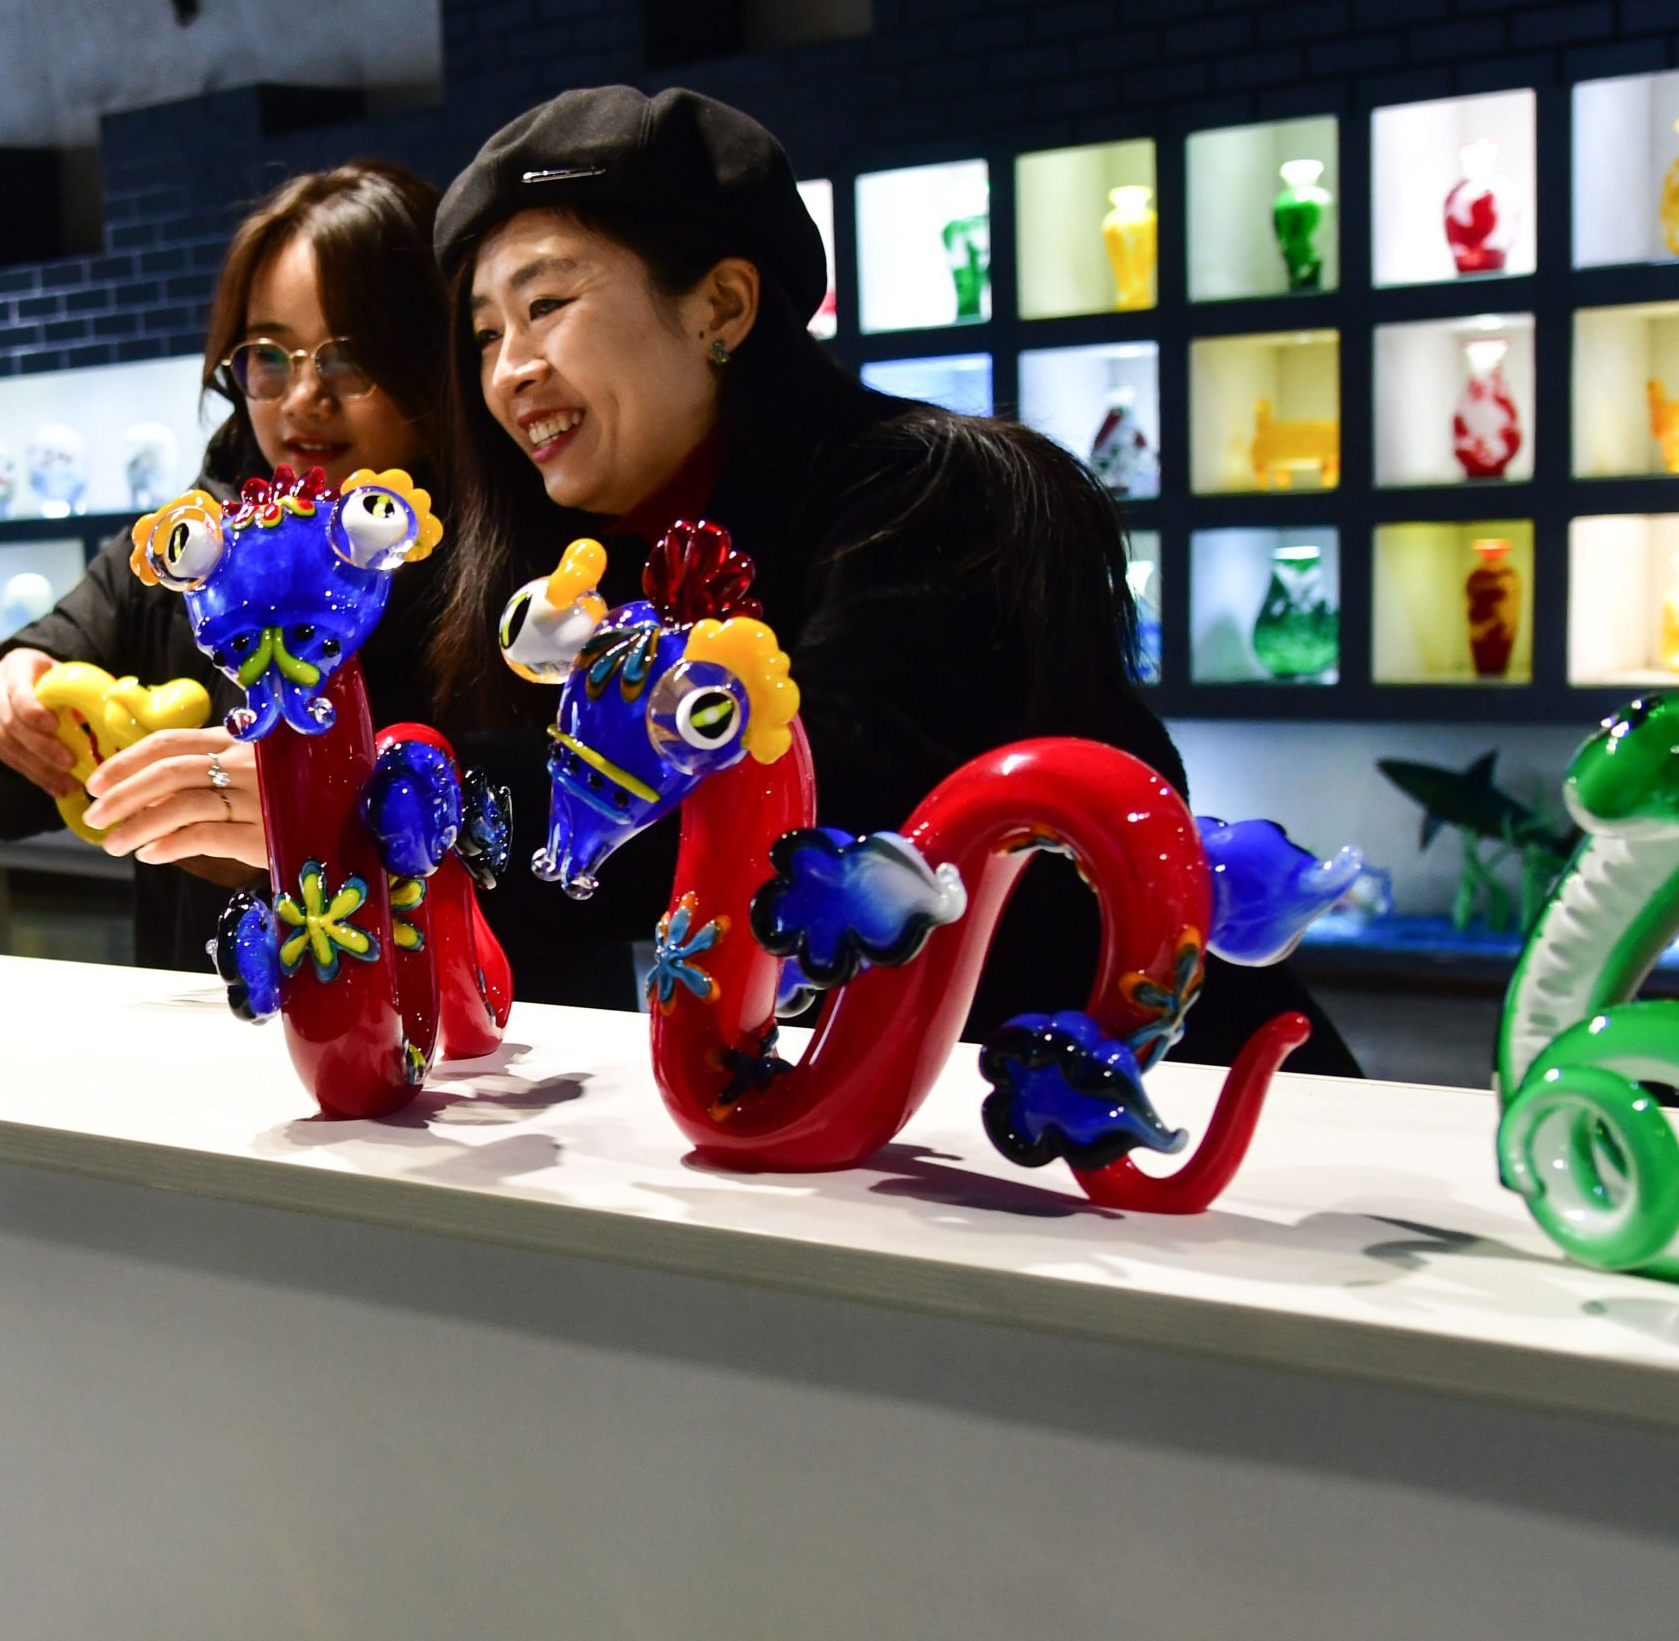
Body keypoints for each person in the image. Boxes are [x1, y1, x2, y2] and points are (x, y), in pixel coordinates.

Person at [429, 84, 1348, 1067]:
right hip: (884, 1131)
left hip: (1135, 1093)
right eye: (487, 333)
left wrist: (407, 794)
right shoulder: (593, 573)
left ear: (724, 306)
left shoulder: (935, 494)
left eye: (547, 305)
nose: (508, 371)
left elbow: (816, 808)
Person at [0, 164, 627, 991]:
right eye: (268, 358)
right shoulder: (189, 552)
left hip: (496, 1061)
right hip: (230, 1074)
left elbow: (610, 845)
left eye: (350, 359)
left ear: (435, 360)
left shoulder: (531, 558)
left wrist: (339, 804)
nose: (302, 398)